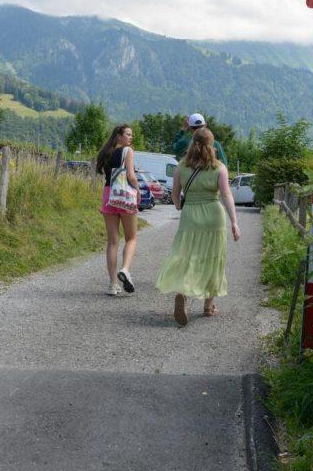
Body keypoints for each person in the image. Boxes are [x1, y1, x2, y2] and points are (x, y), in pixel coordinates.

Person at [155, 127, 241, 325]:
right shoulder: (219, 167)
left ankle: (183, 293)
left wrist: (179, 206)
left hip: (190, 216)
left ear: (192, 142)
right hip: (213, 215)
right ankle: (208, 306)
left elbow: (175, 195)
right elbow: (226, 195)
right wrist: (234, 222)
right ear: (212, 144)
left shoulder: (181, 167)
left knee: (186, 256)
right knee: (212, 258)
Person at [95, 124, 139, 296]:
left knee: (113, 241)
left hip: (109, 195)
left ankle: (113, 284)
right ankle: (125, 270)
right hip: (125, 195)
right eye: (128, 134)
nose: (131, 137)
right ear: (119, 136)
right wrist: (138, 190)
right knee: (131, 237)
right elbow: (130, 176)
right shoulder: (128, 152)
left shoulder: (105, 152)